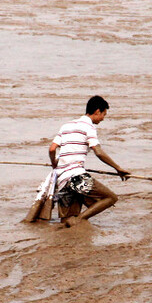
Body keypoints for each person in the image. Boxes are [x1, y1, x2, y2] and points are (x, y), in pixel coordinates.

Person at [48, 96, 130, 227]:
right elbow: (98, 151)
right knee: (111, 198)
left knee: (66, 222)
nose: (103, 118)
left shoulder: (66, 126)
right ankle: (80, 219)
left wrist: (54, 164)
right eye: (104, 114)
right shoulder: (89, 127)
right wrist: (118, 168)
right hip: (77, 177)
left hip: (62, 179)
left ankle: (74, 225)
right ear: (97, 111)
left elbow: (52, 149)